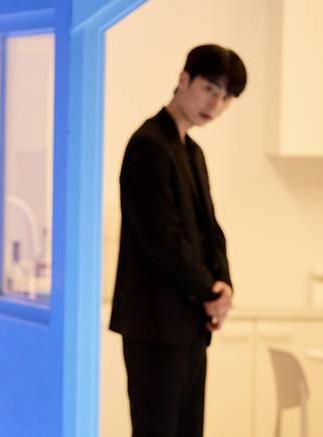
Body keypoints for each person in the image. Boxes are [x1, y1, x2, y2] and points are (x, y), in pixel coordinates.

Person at [109, 44, 247, 437]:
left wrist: (224, 287)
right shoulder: (149, 144)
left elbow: (209, 230)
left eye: (225, 97)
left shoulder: (192, 150)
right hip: (155, 323)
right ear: (184, 79)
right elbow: (162, 238)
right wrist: (208, 290)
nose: (215, 104)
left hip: (188, 322)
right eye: (209, 89)